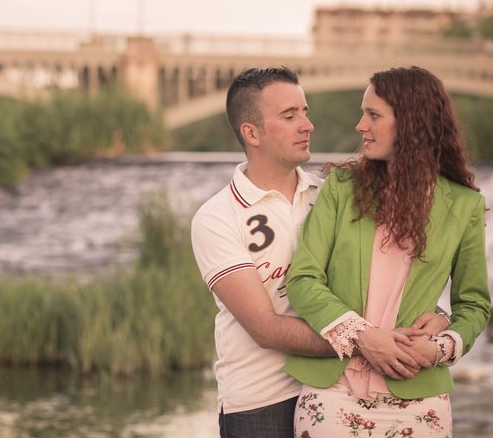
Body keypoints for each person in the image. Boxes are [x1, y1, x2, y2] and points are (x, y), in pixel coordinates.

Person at [190, 67, 445, 438]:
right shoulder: (216, 217)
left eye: (305, 112)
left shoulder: (337, 196)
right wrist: (366, 342)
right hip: (262, 404)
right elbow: (266, 328)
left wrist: (439, 315)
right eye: (289, 116)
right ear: (251, 133)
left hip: (339, 394)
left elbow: (393, 277)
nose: (307, 125)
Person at [286, 66, 491, 437]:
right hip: (333, 395)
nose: (360, 126)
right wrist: (364, 336)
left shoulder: (464, 206)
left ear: (411, 122)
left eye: (373, 115)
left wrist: (441, 347)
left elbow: (474, 305)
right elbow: (303, 279)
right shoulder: (340, 188)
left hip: (419, 402)